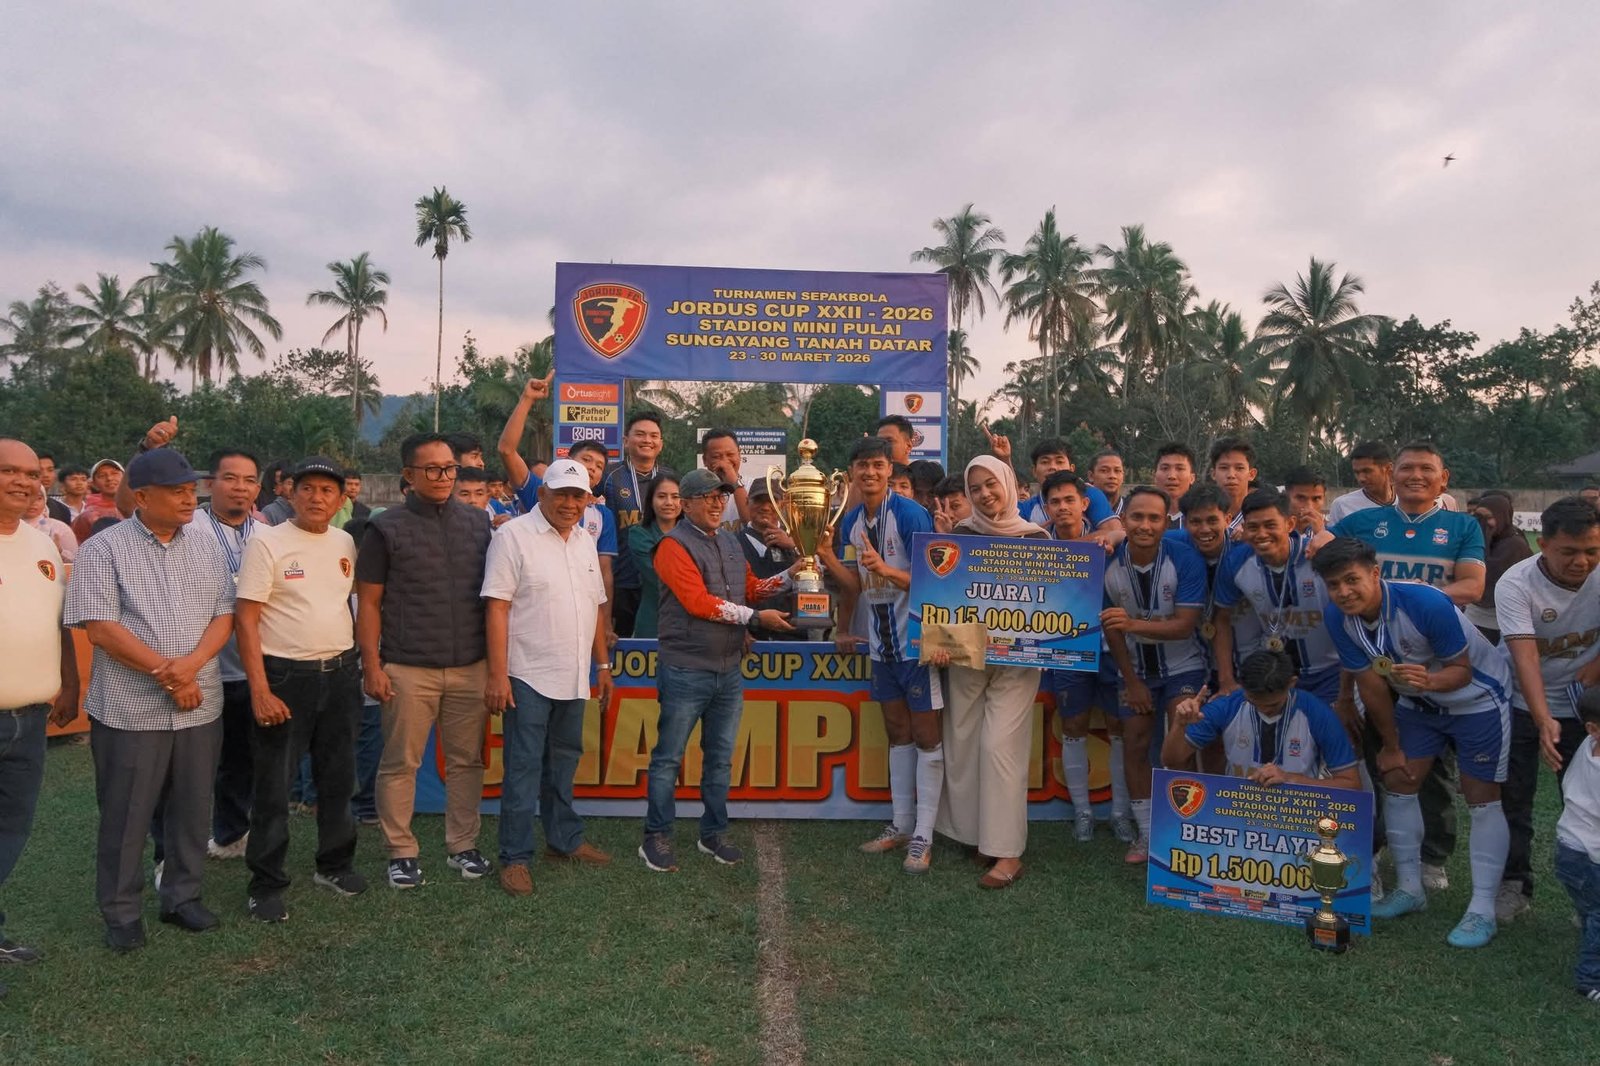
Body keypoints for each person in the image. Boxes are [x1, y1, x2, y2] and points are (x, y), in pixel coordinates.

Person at [64, 448, 234, 951]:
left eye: (191, 491)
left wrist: (191, 666)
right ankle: (121, 912)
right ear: (141, 497)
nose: (189, 500)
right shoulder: (104, 548)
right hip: (131, 709)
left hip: (199, 704)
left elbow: (223, 616)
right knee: (127, 813)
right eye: (177, 492)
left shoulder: (205, 546)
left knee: (192, 807)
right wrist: (171, 675)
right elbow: (101, 629)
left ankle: (182, 897)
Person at [1313, 536, 1511, 948]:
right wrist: (1390, 744)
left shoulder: (1425, 602)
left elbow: (1462, 671)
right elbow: (1370, 683)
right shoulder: (1337, 617)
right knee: (1399, 779)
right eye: (1333, 585)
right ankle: (1409, 889)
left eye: (1351, 580)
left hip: (1477, 699)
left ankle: (1482, 908)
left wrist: (1430, 681)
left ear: (1375, 573)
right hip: (1419, 704)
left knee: (1481, 796)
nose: (1344, 592)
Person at [1327, 440, 1486, 889]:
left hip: (1437, 663)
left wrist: (1403, 599)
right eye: (1407, 468)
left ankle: (1433, 856)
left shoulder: (1461, 525)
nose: (1416, 476)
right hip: (1376, 660)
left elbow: (1472, 587)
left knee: (1433, 766)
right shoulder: (1361, 523)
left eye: (1426, 469)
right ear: (1391, 475)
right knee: (1380, 755)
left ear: (1443, 478)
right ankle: (1378, 844)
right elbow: (1327, 559)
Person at [638, 468, 795, 872]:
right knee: (668, 759)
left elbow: (752, 589)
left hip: (727, 669)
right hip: (686, 668)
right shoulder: (672, 545)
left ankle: (713, 832)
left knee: (721, 758)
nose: (716, 503)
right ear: (686, 504)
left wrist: (794, 573)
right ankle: (655, 836)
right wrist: (755, 619)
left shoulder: (729, 540)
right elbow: (698, 603)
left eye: (721, 496)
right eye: (707, 496)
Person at [357, 433, 494, 890]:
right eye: (432, 469)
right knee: (401, 763)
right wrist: (372, 665)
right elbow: (369, 603)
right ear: (409, 475)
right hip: (408, 667)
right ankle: (401, 851)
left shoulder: (478, 523)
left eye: (449, 468)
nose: (443, 476)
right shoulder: (385, 528)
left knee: (466, 762)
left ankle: (463, 845)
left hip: (470, 665)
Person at [236, 456, 366, 922]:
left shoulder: (345, 541)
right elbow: (246, 619)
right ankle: (266, 884)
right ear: (290, 492)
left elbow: (347, 603)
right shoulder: (266, 542)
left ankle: (334, 865)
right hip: (285, 678)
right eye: (307, 488)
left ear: (341, 498)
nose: (316, 497)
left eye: (327, 490)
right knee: (274, 786)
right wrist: (260, 689)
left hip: (341, 674)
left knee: (338, 779)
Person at [483, 459, 613, 896]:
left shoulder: (584, 541)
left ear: (588, 500)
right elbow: (497, 607)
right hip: (526, 673)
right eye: (561, 494)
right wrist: (498, 675)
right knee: (523, 766)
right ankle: (515, 857)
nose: (570, 504)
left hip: (573, 674)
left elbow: (595, 607)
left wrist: (602, 666)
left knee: (563, 761)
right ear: (542, 494)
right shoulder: (512, 536)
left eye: (578, 496)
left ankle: (564, 840)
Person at [817, 437, 943, 871]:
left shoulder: (910, 514)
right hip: (880, 644)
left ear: (890, 470)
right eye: (862, 465)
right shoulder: (853, 520)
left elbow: (936, 579)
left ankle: (924, 834)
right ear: (851, 472)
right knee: (896, 731)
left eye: (877, 465)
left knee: (927, 735)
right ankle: (902, 823)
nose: (869, 472)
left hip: (916, 643)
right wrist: (825, 555)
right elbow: (855, 584)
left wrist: (886, 569)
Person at [925, 457, 1048, 887]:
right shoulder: (961, 535)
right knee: (962, 742)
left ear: (1009, 484)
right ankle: (978, 836)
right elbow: (945, 594)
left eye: (991, 484)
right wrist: (939, 642)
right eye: (975, 488)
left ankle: (1008, 852)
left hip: (1018, 662)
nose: (984, 494)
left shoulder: (1035, 538)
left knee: (1000, 748)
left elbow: (1052, 600)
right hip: (966, 655)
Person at [1494, 497, 1600, 922]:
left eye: (1592, 551)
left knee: (1590, 802)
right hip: (1521, 702)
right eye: (1569, 551)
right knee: (1513, 798)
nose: (1582, 562)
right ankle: (1514, 884)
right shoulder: (1515, 584)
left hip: (1587, 705)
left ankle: (1591, 894)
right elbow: (1526, 659)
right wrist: (1543, 720)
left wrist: (1597, 663)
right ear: (1543, 544)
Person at [0, 440, 79, 991]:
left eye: (31, 473)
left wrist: (70, 684)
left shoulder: (42, 543)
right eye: (8, 471)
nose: (23, 482)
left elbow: (59, 623)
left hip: (29, 719)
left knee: (11, 830)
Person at [1102, 485, 1209, 863]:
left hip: (1184, 665)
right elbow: (1110, 629)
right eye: (1137, 517)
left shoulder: (1185, 558)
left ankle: (1183, 832)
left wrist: (1132, 623)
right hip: (1134, 669)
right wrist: (1131, 682)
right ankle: (1147, 836)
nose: (1145, 525)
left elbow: (1184, 625)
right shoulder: (1107, 561)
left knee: (1181, 743)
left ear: (1166, 522)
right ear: (1124, 519)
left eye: (1154, 518)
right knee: (1135, 743)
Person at [1040, 471, 1129, 842]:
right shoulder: (1038, 543)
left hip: (1112, 650)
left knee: (1119, 728)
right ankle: (1083, 813)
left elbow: (1123, 534)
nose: (1063, 507)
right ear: (1046, 507)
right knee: (1073, 727)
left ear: (1084, 504)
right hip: (1067, 649)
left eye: (1069, 500)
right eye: (1055, 502)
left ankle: (1120, 814)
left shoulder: (1109, 541)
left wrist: (1110, 536)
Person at [184, 450, 263, 861]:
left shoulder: (267, 531)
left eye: (249, 480)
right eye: (230, 478)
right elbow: (129, 506)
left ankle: (231, 835)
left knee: (239, 759)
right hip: (199, 668)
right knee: (191, 764)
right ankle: (177, 848)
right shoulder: (188, 527)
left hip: (250, 669)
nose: (240, 488)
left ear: (258, 488)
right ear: (209, 483)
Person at [1162, 651, 1361, 789]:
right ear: (1242, 687)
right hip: (1235, 809)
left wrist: (1290, 779)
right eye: (1254, 703)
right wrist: (1179, 726)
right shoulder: (1227, 706)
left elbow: (1351, 784)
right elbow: (1172, 761)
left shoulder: (1317, 713)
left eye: (1273, 705)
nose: (1264, 710)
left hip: (1297, 813)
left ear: (1291, 683)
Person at [1212, 489, 1340, 703]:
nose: (1261, 534)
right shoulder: (1236, 562)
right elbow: (1222, 619)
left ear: (1289, 524)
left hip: (1328, 672)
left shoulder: (1318, 554)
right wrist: (1226, 680)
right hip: (1271, 676)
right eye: (1253, 527)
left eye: (1270, 525)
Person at [981, 429, 1123, 548]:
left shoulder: (1090, 494)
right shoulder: (1027, 508)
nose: (1053, 467)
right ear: (1034, 471)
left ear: (1071, 468)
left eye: (1059, 461)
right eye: (1045, 462)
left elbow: (1113, 531)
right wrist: (1005, 459)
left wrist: (1054, 550)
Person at [601, 411, 673, 638]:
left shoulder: (670, 478)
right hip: (621, 578)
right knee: (618, 643)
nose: (647, 440)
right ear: (625, 441)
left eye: (654, 436)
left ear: (661, 443)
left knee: (655, 645)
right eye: (640, 434)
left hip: (658, 581)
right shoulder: (608, 475)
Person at [1554, 689, 1600, 1004]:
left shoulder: (1589, 744)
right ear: (1593, 729)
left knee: (1591, 912)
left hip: (1571, 848)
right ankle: (1590, 979)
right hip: (1587, 856)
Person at [736, 479, 801, 640]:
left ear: (782, 504)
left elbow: (817, 577)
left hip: (792, 635)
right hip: (751, 636)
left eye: (772, 501)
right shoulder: (731, 543)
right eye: (759, 500)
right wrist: (740, 630)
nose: (765, 507)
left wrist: (794, 546)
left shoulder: (801, 540)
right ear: (747, 502)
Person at [1466, 490, 1532, 643]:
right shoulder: (1482, 539)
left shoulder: (1514, 545)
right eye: (1479, 517)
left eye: (1489, 518)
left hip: (1500, 622)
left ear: (1502, 517)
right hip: (1474, 617)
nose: (1483, 522)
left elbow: (1490, 578)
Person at [628, 473, 683, 639]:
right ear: (651, 501)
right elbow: (660, 575)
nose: (669, 502)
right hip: (653, 622)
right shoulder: (638, 534)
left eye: (675, 497)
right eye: (661, 496)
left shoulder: (694, 534)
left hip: (690, 624)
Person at [1327, 441, 1397, 524]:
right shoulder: (1342, 505)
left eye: (1367, 471)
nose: (1361, 479)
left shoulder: (1407, 501)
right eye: (1357, 472)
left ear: (1388, 468)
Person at [701, 429, 751, 528]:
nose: (724, 462)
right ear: (705, 460)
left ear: (739, 455)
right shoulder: (696, 491)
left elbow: (751, 523)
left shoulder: (754, 486)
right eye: (716, 457)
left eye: (730, 455)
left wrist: (734, 482)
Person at [1207, 437, 1257, 532]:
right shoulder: (1201, 514)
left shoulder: (1262, 515)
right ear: (1213, 474)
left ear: (1251, 474)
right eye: (1224, 468)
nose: (1231, 475)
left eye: (1239, 468)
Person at [71, 459, 125, 542]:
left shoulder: (139, 508)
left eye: (114, 473)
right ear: (94, 484)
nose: (109, 478)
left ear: (125, 477)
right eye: (102, 476)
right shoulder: (87, 516)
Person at [25, 485, 75, 563]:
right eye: (27, 497)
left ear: (45, 501)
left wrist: (60, 552)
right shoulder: (7, 526)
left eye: (39, 498)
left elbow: (76, 561)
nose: (33, 503)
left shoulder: (59, 528)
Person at [1154, 443, 1198, 529]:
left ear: (1192, 478)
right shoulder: (1143, 517)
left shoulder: (1202, 517)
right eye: (1165, 468)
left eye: (1180, 469)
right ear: (1154, 476)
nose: (1172, 476)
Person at [1282, 466, 1328, 534]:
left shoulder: (1334, 535)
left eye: (1316, 499)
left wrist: (1321, 535)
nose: (1309, 507)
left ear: (1324, 498)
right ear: (1286, 496)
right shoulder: (1272, 534)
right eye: (1301, 498)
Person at [1088, 448, 1126, 513]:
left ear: (1123, 476)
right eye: (1104, 470)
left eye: (1117, 471)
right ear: (1091, 476)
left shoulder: (1132, 509)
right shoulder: (1081, 509)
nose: (1112, 476)